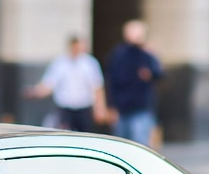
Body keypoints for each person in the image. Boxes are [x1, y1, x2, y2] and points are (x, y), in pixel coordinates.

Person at [24, 34, 107, 132]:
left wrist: (100, 108)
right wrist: (35, 92)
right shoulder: (60, 63)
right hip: (65, 109)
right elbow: (49, 84)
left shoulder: (90, 63)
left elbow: (97, 87)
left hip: (84, 108)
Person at [105, 19, 164, 147]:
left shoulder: (147, 54)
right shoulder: (119, 54)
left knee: (140, 145)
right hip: (122, 108)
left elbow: (159, 73)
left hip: (141, 108)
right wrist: (111, 106)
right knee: (121, 146)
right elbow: (112, 81)